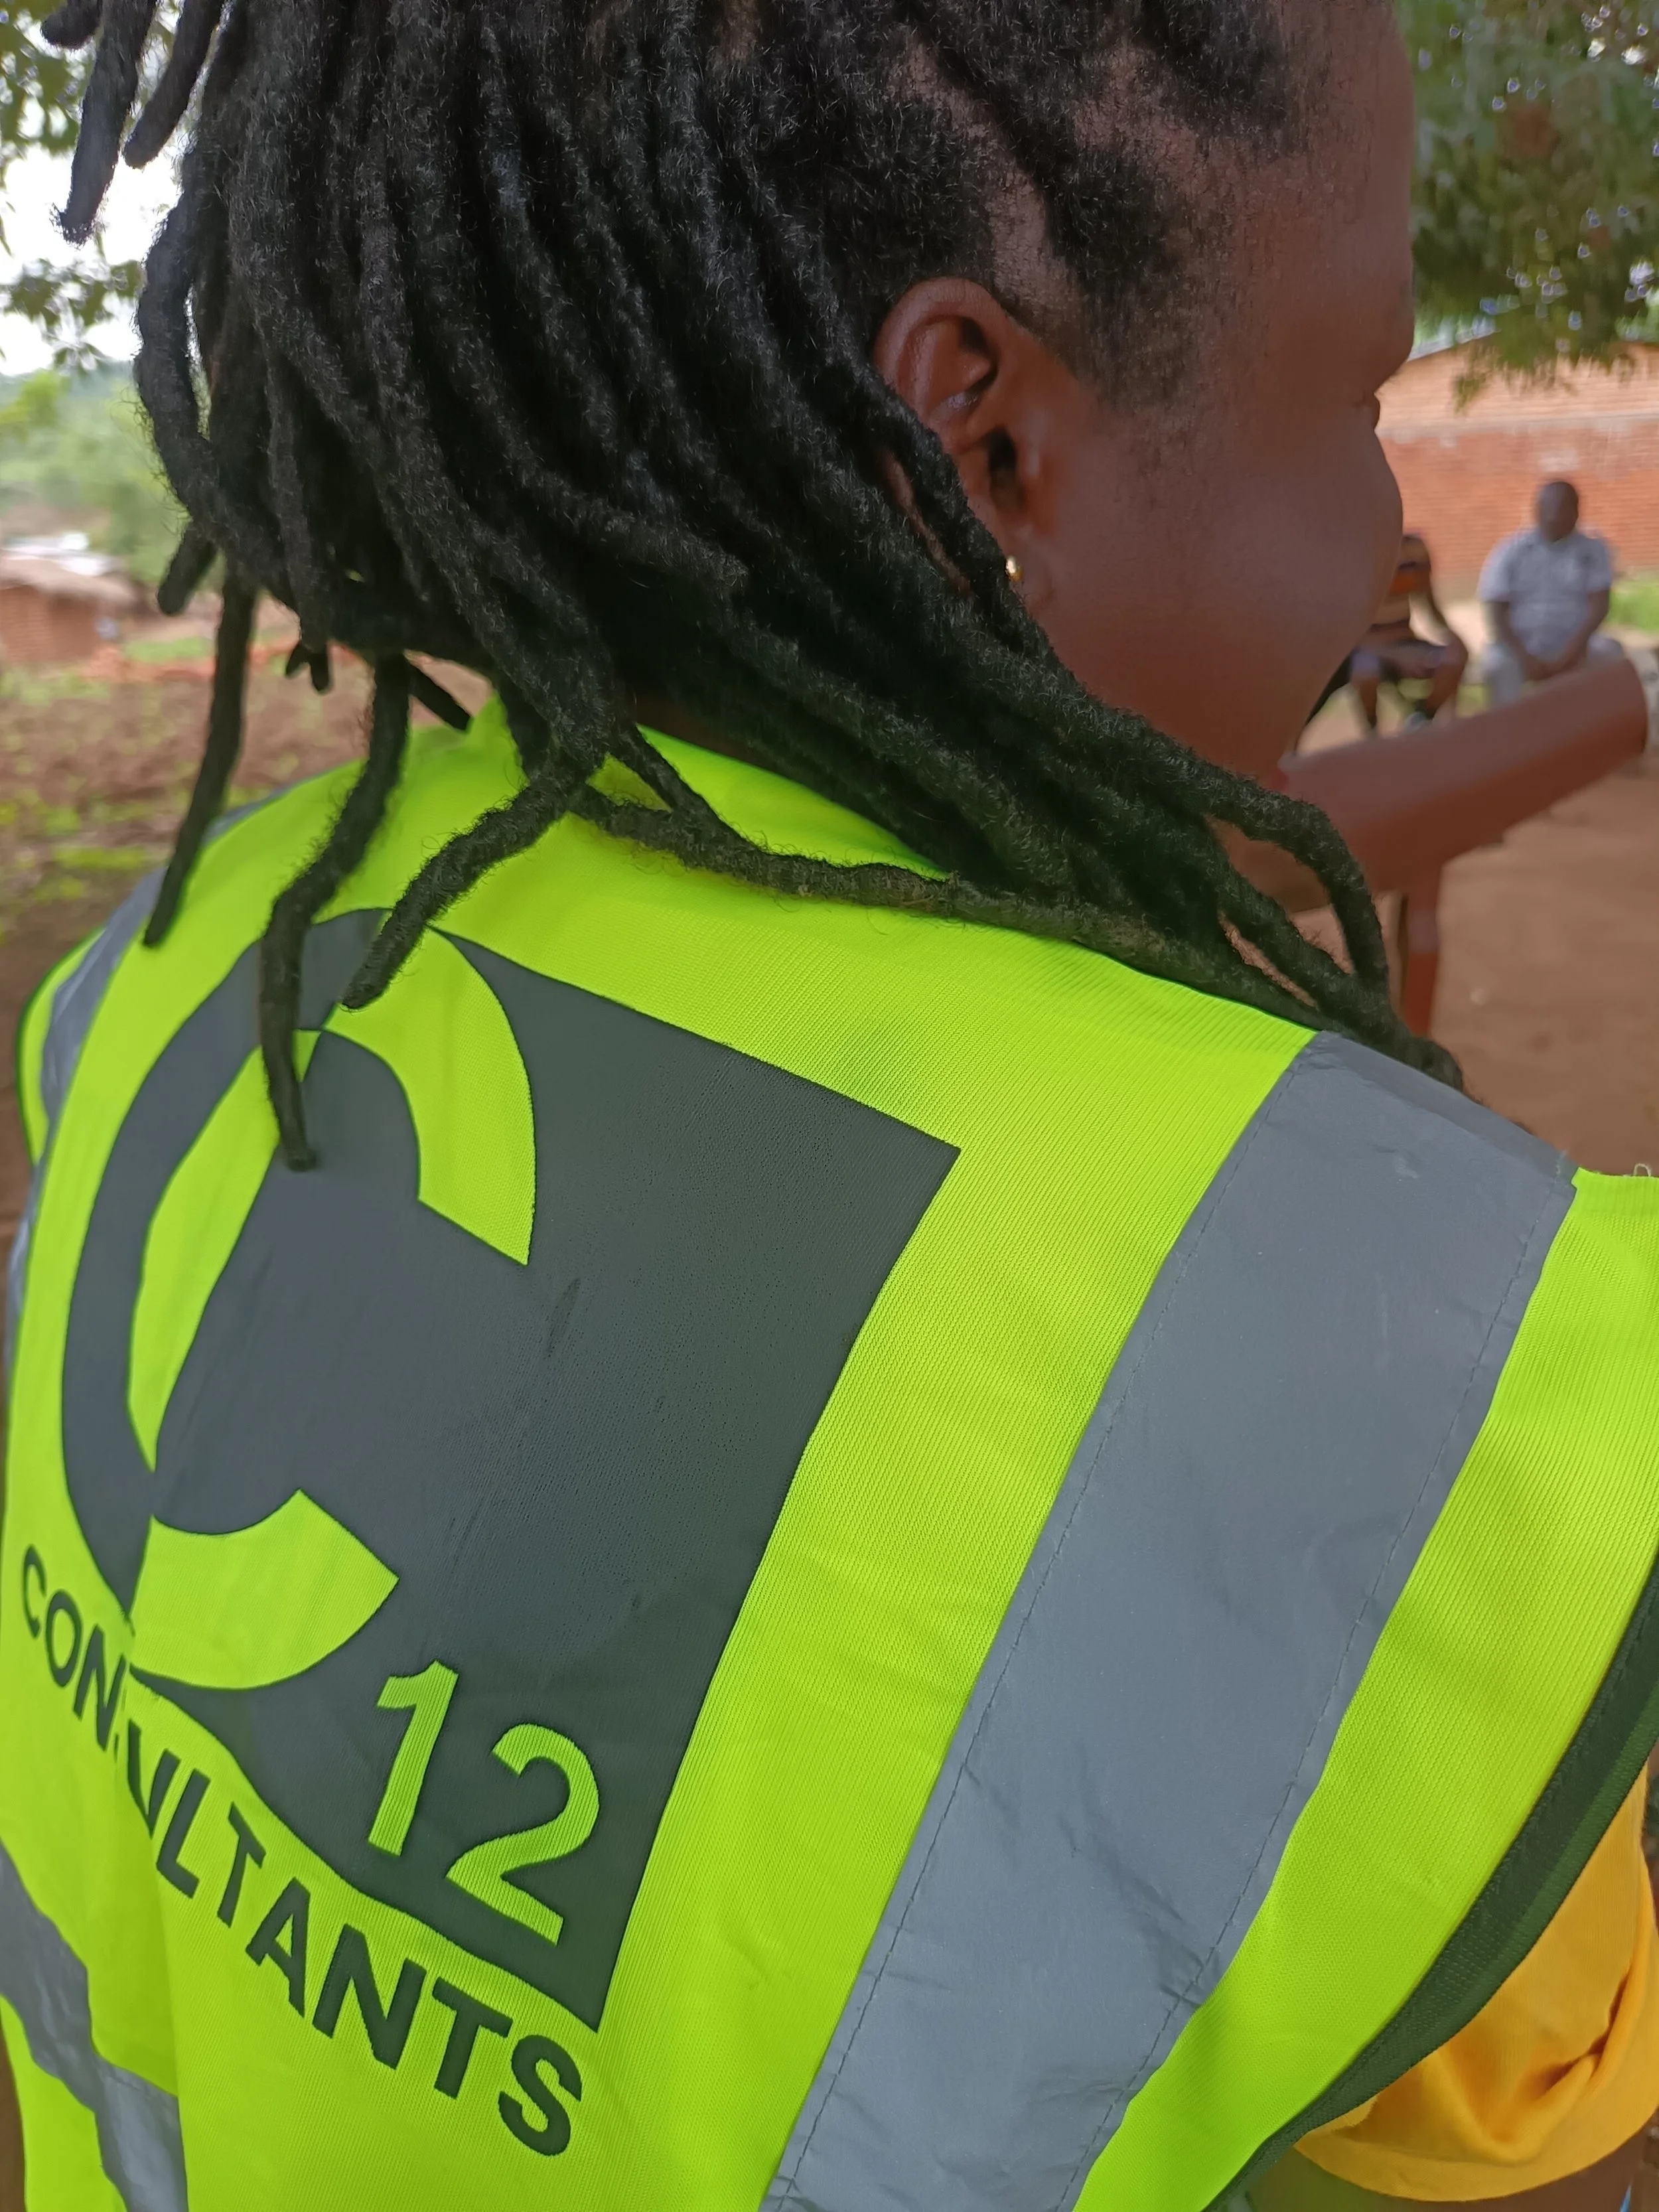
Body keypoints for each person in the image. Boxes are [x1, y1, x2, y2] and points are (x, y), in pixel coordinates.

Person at [0, 3, 1656, 2209]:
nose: (1381, 543)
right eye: (1354, 400)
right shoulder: (1431, 1404)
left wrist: (1597, 719)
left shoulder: (201, 953)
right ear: (981, 431)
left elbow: (1065, 863)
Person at [1480, 482, 1625, 706]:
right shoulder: (1510, 551)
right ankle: (1507, 727)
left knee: (1611, 654)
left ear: (1577, 511)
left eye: (1563, 508)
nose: (1555, 515)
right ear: (1536, 510)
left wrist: (1573, 650)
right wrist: (1525, 657)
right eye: (1549, 507)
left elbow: (1600, 606)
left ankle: (1606, 724)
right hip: (1522, 646)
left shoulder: (1593, 550)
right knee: (1498, 665)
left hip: (1577, 643)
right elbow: (1496, 612)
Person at [1348, 530, 1469, 733]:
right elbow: (1349, 636)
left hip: (1407, 640)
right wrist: (1396, 655)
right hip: (1369, 646)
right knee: (1365, 671)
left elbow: (1429, 603)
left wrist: (1452, 636)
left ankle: (1420, 719)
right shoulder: (1357, 558)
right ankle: (1372, 731)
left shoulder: (1414, 550)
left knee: (1455, 656)